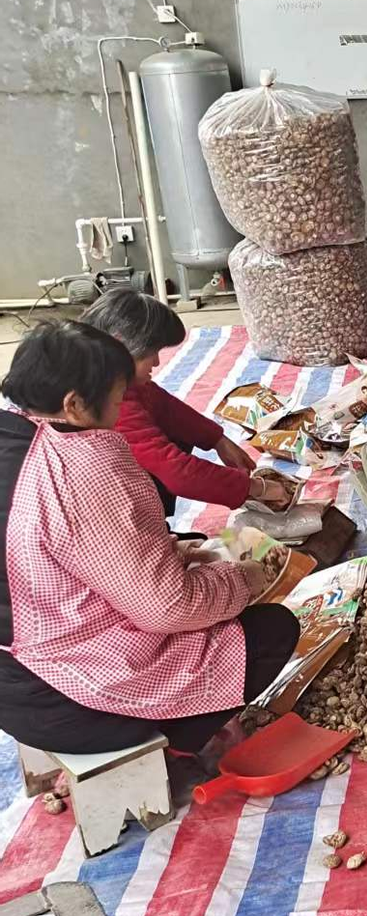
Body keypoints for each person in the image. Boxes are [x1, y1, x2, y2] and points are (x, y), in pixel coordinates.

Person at [0, 322, 299, 756]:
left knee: (194, 562)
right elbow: (169, 608)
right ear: (75, 405)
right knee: (272, 628)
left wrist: (170, 550)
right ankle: (182, 738)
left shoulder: (13, 435)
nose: (122, 411)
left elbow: (49, 551)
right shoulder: (87, 464)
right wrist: (242, 581)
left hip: (10, 691)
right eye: (118, 401)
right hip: (74, 701)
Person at [81, 288, 290, 516]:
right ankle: (147, 525)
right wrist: (255, 488)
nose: (157, 361)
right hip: (100, 512)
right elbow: (177, 471)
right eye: (151, 352)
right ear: (119, 345)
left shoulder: (112, 375)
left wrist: (217, 439)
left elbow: (164, 406)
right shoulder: (108, 403)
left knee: (174, 428)